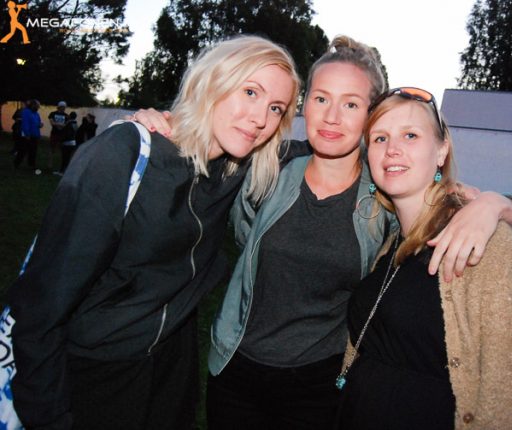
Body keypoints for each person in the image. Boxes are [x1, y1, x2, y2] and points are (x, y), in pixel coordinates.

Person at [132, 36, 512, 430]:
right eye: (321, 99)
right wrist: (162, 123)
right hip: (236, 372)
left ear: (370, 117)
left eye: (351, 103)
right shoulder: (267, 166)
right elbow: (204, 145)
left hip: (320, 385)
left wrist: (494, 204)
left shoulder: (386, 192)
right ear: (304, 105)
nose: (332, 117)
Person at [8, 35, 300, 430]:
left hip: (173, 368)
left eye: (276, 108)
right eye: (250, 92)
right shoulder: (121, 154)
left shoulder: (236, 166)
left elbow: (327, 146)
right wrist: (49, 418)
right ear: (212, 80)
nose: (260, 118)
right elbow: (40, 308)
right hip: (98, 370)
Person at [336, 88, 512, 429]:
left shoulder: (492, 248)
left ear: (441, 151)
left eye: (410, 135)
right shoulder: (391, 240)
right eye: (380, 138)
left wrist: (496, 203)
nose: (392, 149)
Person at [14, 99, 43, 175]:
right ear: (33, 105)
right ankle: (16, 164)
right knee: (23, 150)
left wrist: (40, 125)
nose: (38, 107)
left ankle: (31, 165)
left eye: (38, 106)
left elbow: (38, 122)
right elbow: (25, 124)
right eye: (37, 106)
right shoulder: (26, 112)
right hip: (27, 135)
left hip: (35, 135)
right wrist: (27, 134)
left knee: (33, 151)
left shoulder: (36, 113)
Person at [47, 101, 69, 170]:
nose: (64, 108)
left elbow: (66, 125)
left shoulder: (66, 115)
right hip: (54, 133)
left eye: (65, 107)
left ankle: (60, 164)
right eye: (63, 107)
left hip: (62, 135)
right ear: (60, 107)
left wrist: (57, 124)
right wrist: (60, 125)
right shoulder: (53, 114)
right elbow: (52, 123)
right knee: (51, 148)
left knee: (62, 149)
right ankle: (49, 164)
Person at [56, 111, 78, 175]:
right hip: (73, 142)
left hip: (67, 143)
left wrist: (61, 141)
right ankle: (65, 171)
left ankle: (62, 171)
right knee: (68, 158)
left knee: (64, 158)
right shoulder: (75, 124)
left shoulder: (69, 124)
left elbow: (66, 134)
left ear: (70, 116)